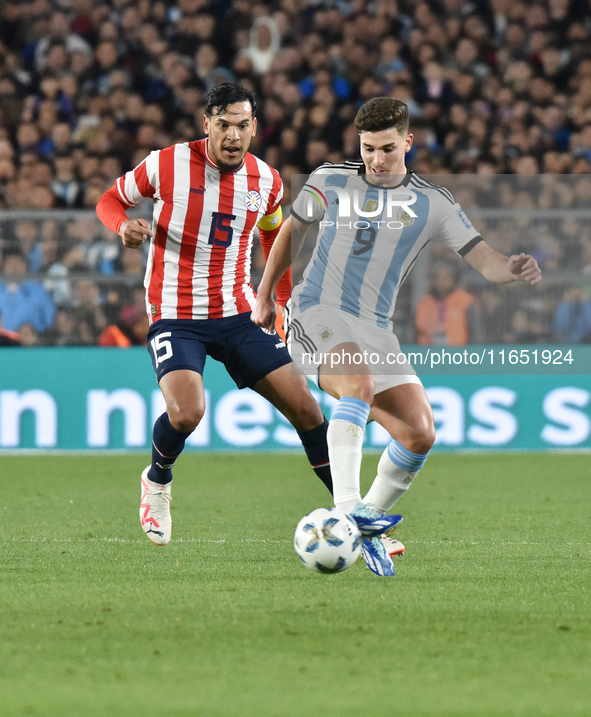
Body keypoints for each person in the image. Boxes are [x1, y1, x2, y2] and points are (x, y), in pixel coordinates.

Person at [252, 97, 542, 576]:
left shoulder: (433, 203)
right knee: (358, 385)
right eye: (368, 148)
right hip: (315, 311)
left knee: (419, 432)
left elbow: (485, 260)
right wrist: (266, 295)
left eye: (387, 148)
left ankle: (367, 525)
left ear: (408, 142)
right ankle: (349, 512)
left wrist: (510, 267)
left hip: (375, 329)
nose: (376, 160)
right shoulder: (329, 180)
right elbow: (292, 230)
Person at [96, 83, 334, 547]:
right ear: (206, 123)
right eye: (223, 124)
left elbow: (274, 241)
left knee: (308, 410)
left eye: (241, 125)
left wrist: (278, 302)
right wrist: (123, 225)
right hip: (175, 314)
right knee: (186, 414)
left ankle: (355, 511)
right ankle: (157, 480)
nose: (232, 135)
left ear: (254, 128)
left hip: (238, 313)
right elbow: (110, 200)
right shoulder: (164, 165)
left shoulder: (267, 182)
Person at [415, 261, 481, 345]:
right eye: (438, 277)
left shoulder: (465, 301)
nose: (442, 281)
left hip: (458, 354)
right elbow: (414, 332)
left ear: (453, 279)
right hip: (427, 354)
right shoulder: (423, 303)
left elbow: (475, 333)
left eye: (446, 277)